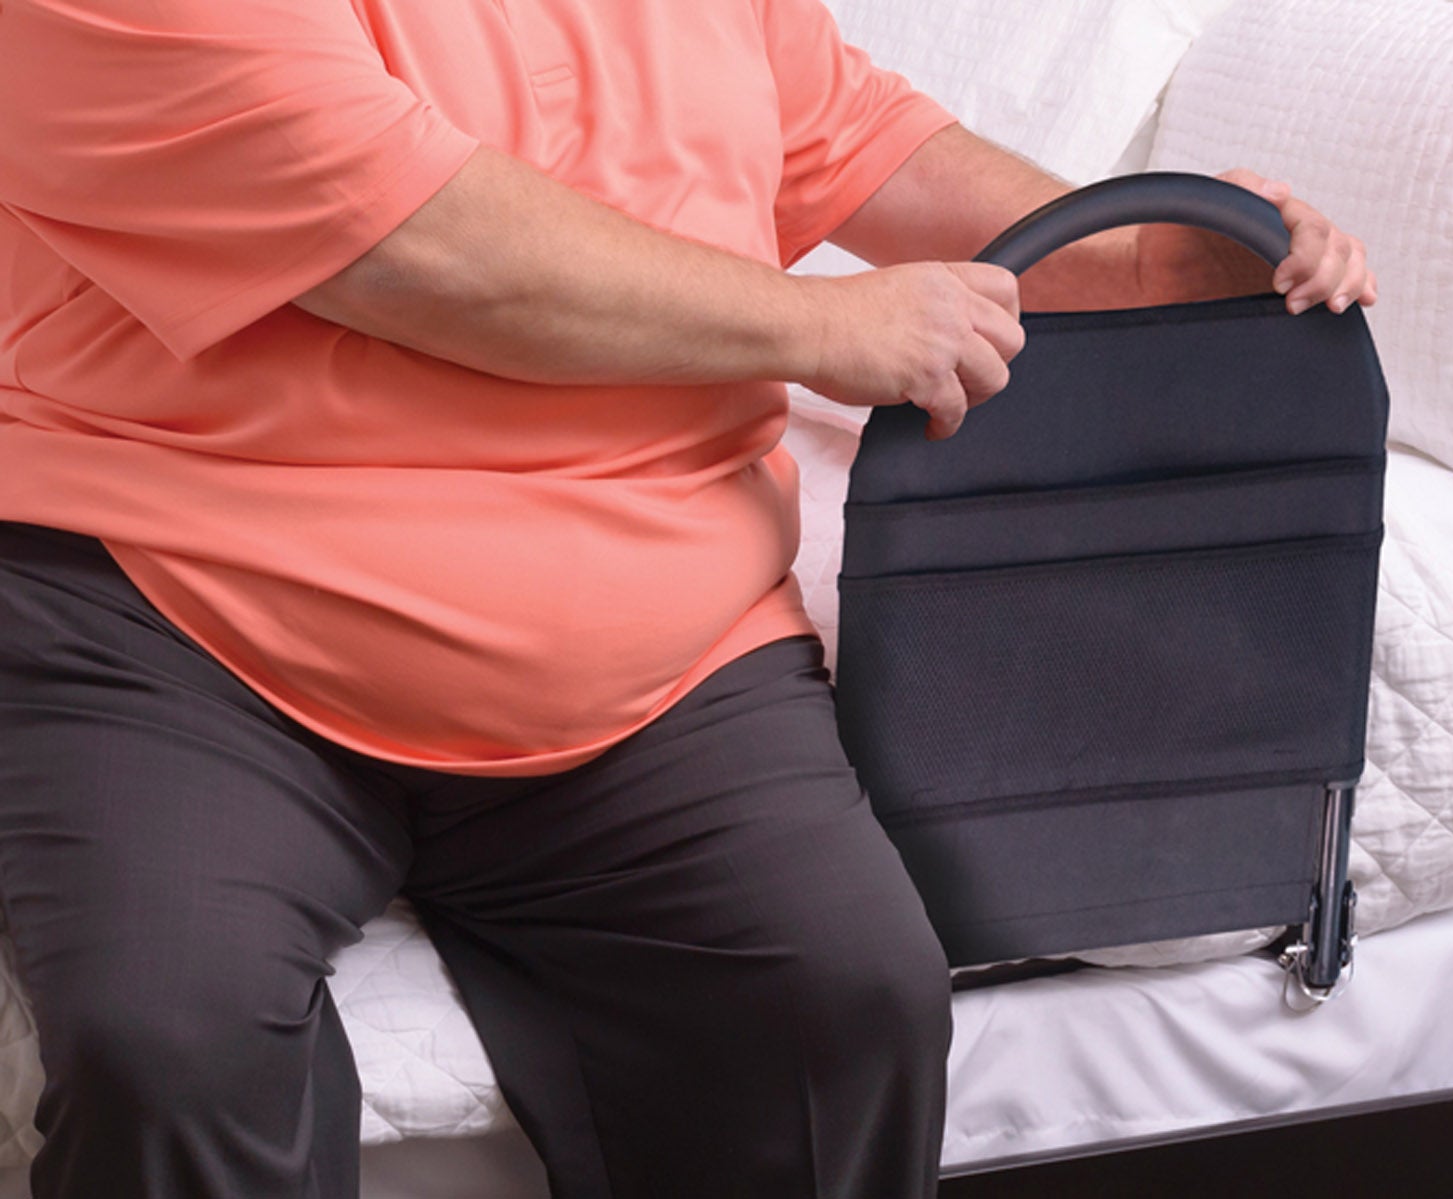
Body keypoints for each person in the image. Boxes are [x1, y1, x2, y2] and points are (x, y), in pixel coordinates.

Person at [0, 1, 1375, 1196]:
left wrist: (1134, 264)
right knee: (164, 1043)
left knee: (844, 1003)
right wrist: (826, 326)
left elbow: (843, 129)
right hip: (178, 616)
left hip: (664, 649)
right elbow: (408, 237)